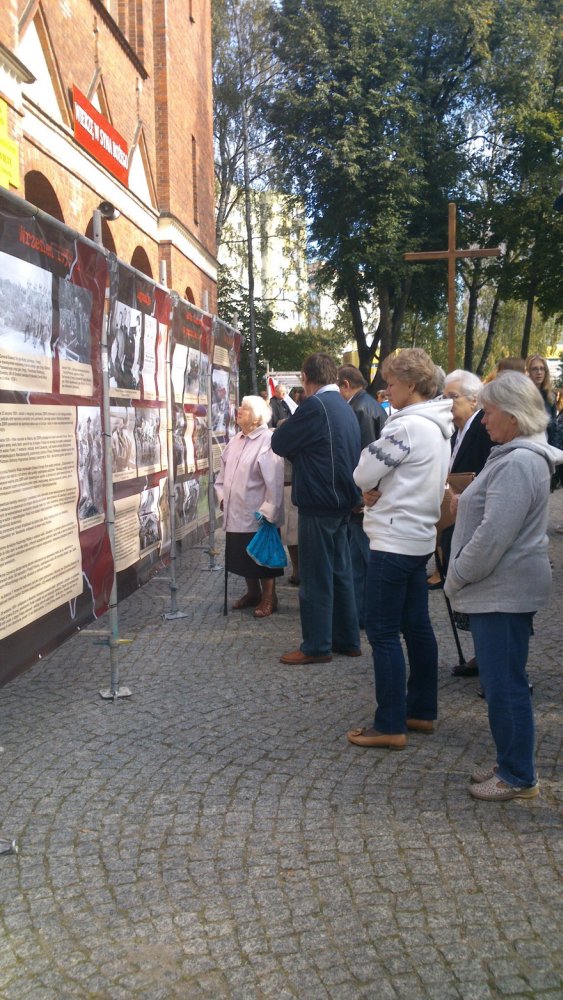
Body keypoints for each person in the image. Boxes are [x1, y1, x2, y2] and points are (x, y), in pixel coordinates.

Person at [445, 372, 563, 800]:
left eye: (489, 412)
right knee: (500, 682)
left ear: (513, 416)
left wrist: (456, 575)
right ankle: (511, 762)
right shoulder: (512, 455)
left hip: (504, 590)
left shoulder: (518, 461)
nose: (482, 421)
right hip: (501, 588)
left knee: (504, 684)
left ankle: (518, 775)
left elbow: (494, 536)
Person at [347, 348, 454, 750]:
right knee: (417, 627)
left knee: (383, 632)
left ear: (411, 383)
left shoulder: (405, 427)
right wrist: (380, 488)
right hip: (418, 537)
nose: (385, 388)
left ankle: (389, 722)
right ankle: (421, 710)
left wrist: (373, 488)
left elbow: (363, 471)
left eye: (390, 381)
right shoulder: (439, 425)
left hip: (392, 539)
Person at [271, 353, 361, 664]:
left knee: (315, 577)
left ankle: (317, 645)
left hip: (320, 500)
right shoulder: (344, 406)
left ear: (306, 378)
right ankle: (348, 639)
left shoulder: (315, 405)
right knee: (340, 572)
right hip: (340, 500)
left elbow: (280, 442)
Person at [215, 396, 284, 618]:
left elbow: (274, 481)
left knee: (262, 559)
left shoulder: (268, 441)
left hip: (257, 513)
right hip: (235, 511)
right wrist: (222, 498)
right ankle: (252, 593)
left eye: (244, 409)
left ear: (256, 417)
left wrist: (270, 511)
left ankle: (268, 598)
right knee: (241, 556)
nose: (239, 411)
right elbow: (221, 475)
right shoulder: (235, 440)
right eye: (240, 407)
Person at [337, 364, 388, 627]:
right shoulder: (366, 405)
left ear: (346, 384)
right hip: (364, 497)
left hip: (364, 499)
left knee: (366, 560)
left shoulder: (360, 409)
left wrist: (358, 497)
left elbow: (365, 456)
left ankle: (373, 615)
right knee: (357, 560)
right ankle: (361, 615)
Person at [526, 354, 557, 443]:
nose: (539, 372)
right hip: (527, 444)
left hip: (547, 445)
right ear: (528, 372)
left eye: (542, 368)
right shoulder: (523, 395)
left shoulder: (550, 396)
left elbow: (553, 427)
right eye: (534, 369)